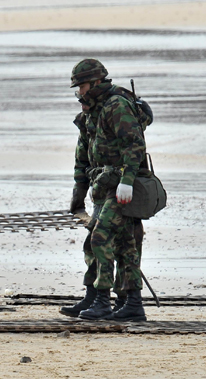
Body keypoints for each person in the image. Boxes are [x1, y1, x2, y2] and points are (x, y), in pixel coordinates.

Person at [63, 58, 150, 322]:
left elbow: (134, 145)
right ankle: (111, 299)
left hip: (123, 184)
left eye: (82, 86)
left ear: (97, 82)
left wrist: (127, 180)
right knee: (108, 243)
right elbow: (83, 154)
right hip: (102, 185)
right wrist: (79, 190)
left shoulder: (116, 106)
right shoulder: (92, 109)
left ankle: (104, 300)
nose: (79, 91)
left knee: (102, 238)